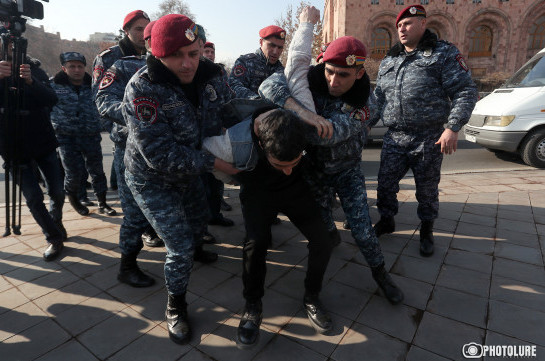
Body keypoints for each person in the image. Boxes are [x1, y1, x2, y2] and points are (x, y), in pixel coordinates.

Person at [258, 7, 404, 305]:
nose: (333, 81)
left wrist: (299, 124)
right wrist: (298, 109)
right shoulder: (313, 79)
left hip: (347, 171)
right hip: (314, 172)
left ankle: (380, 274)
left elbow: (330, 134)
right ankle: (326, 254)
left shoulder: (366, 103)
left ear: (360, 73)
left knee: (363, 231)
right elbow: (269, 85)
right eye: (329, 71)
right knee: (322, 226)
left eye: (343, 75)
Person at [122, 14, 236, 344]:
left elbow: (233, 109)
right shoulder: (142, 89)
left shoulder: (211, 77)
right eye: (176, 55)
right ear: (157, 55)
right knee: (181, 246)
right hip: (152, 178)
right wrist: (219, 164)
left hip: (190, 173)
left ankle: (195, 249)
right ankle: (176, 306)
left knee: (200, 221)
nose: (187, 64)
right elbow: (160, 156)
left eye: (194, 53)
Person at [369, 5, 478, 256]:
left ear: (422, 23)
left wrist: (452, 127)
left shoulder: (443, 54)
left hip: (428, 137)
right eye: (399, 26)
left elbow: (465, 91)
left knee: (426, 190)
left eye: (407, 23)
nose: (402, 29)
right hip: (395, 137)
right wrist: (362, 124)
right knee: (385, 186)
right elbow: (378, 99)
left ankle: (427, 230)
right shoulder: (390, 60)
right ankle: (387, 221)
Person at [229, 108, 335, 349]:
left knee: (323, 241)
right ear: (261, 145)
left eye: (293, 163)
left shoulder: (300, 129)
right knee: (256, 243)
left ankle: (312, 296)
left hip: (294, 191)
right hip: (258, 192)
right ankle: (253, 305)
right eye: (280, 164)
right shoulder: (243, 138)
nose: (288, 167)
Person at [95, 22, 161, 289]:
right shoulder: (123, 65)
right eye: (143, 32)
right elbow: (101, 100)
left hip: (165, 150)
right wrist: (139, 115)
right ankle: (127, 266)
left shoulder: (179, 66)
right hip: (131, 147)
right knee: (134, 211)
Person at [0, 30, 65, 261]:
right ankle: (54, 237)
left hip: (43, 142)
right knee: (33, 198)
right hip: (13, 149)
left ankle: (55, 220)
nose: (12, 51)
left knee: (57, 191)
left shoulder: (33, 68)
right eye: (7, 45)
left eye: (15, 46)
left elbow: (52, 99)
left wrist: (30, 81)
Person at [50, 52, 116, 217]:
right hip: (66, 137)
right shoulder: (53, 85)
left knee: (97, 171)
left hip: (90, 134)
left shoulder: (94, 84)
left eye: (80, 66)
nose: (77, 70)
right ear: (64, 68)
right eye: (72, 66)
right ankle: (75, 199)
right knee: (73, 173)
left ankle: (102, 203)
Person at [92, 10, 150, 95]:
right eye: (139, 29)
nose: (144, 34)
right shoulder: (107, 58)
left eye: (147, 30)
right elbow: (99, 97)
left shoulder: (153, 57)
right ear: (126, 30)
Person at [228, 25, 286, 99]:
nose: (275, 51)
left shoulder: (282, 71)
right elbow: (234, 86)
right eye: (271, 45)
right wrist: (257, 101)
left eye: (280, 47)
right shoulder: (245, 62)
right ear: (261, 42)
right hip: (247, 109)